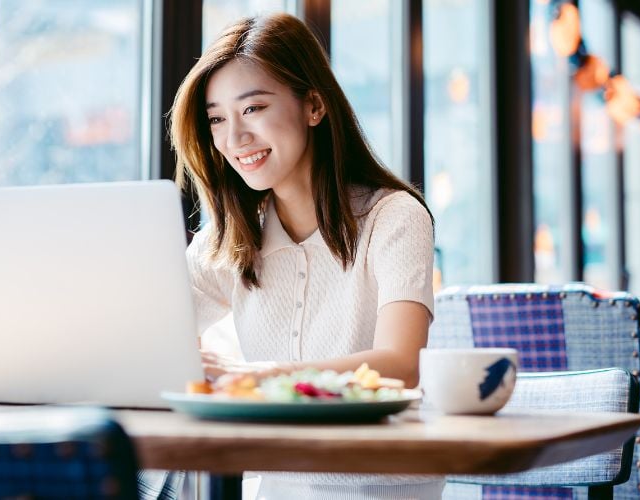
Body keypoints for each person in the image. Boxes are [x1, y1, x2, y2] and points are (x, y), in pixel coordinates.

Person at [160, 12, 440, 500]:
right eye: (217, 118)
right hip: (275, 481)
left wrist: (261, 378)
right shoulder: (228, 241)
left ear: (313, 105)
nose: (234, 138)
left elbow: (399, 364)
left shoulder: (393, 217)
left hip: (381, 482)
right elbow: (146, 336)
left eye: (253, 109)